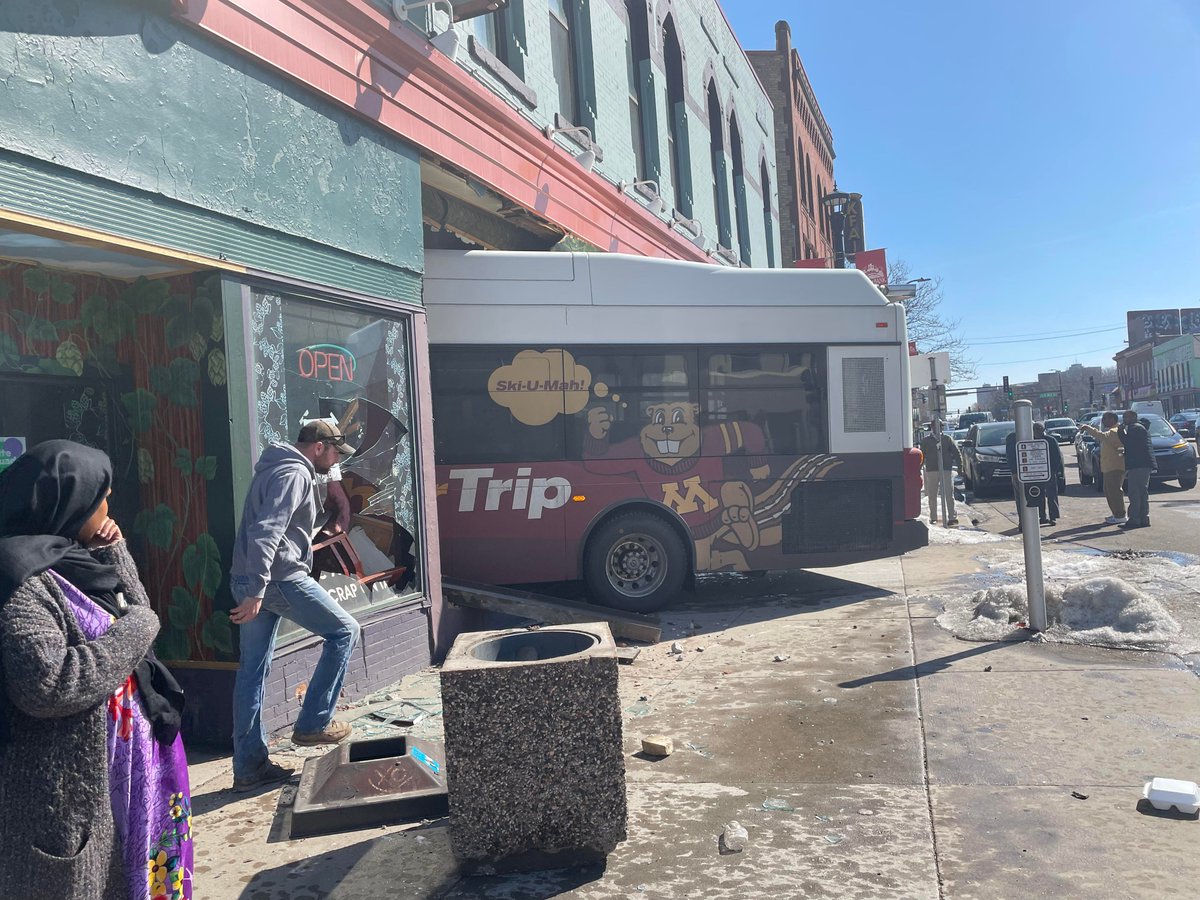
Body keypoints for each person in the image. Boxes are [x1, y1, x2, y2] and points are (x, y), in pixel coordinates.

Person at [0, 441, 191, 900]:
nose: (108, 506)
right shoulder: (21, 582)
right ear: (71, 503)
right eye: (100, 495)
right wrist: (139, 626)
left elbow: (136, 619)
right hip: (70, 797)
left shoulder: (76, 561)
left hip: (129, 777)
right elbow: (48, 684)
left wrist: (115, 551)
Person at [229, 420, 361, 792]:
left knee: (252, 672)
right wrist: (257, 590)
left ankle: (249, 767)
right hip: (276, 580)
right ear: (318, 447)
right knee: (345, 631)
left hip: (253, 577)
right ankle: (313, 724)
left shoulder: (276, 466)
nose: (336, 461)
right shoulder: (295, 474)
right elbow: (266, 531)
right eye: (335, 452)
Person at [1079, 412, 1127, 524]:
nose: (1103, 421)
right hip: (1109, 467)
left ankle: (1120, 515)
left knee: (1114, 491)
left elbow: (1101, 436)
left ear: (1112, 419)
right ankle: (1116, 513)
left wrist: (1087, 428)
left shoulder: (1114, 432)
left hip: (1115, 467)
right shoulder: (1111, 431)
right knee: (1108, 491)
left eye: (1105, 419)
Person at [1118, 412, 1155, 529]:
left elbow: (1127, 442)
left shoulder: (1134, 428)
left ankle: (1134, 519)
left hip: (1137, 464)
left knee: (1135, 493)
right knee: (1142, 492)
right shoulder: (1141, 428)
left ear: (1134, 417)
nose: (1124, 419)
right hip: (1145, 464)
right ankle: (1144, 518)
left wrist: (1120, 431)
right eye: (1124, 417)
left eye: (1127, 417)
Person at [919, 421, 962, 525]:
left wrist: (961, 467)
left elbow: (956, 452)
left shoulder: (947, 439)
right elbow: (921, 456)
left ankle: (952, 517)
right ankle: (933, 517)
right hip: (931, 470)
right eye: (935, 426)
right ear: (931, 427)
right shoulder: (926, 441)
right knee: (932, 495)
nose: (938, 428)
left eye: (940, 426)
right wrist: (918, 469)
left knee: (949, 494)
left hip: (946, 469)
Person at [1032, 422, 1064, 526]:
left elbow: (1057, 457)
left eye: (1039, 428)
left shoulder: (1050, 440)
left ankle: (1053, 517)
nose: (1037, 430)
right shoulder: (1030, 441)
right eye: (1035, 429)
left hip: (1049, 472)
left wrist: (1053, 470)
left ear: (1043, 429)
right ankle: (1042, 516)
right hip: (1036, 473)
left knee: (1052, 495)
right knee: (1038, 495)